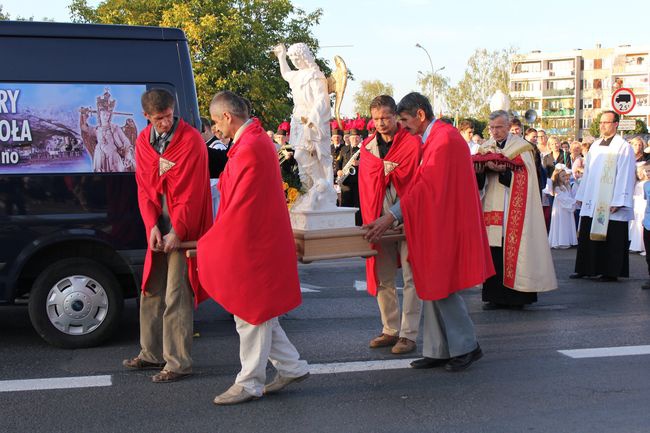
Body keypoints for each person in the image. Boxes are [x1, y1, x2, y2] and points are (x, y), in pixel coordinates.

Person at [364, 92, 493, 372]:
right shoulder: (436, 138)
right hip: (438, 221)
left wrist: (390, 216)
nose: (404, 127)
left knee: (442, 286)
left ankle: (467, 346)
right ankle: (439, 349)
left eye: (405, 120)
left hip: (446, 224)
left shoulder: (443, 139)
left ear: (420, 115)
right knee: (433, 285)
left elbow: (423, 187)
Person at [198, 91, 309, 405]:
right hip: (259, 243)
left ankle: (249, 383)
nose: (215, 129)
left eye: (216, 122)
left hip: (254, 246)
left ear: (228, 117)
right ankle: (292, 367)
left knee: (251, 315)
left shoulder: (248, 148)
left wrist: (213, 241)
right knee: (260, 315)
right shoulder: (253, 143)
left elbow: (240, 208)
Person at [123, 88, 212, 383]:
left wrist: (178, 231)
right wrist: (151, 225)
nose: (165, 122)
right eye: (159, 118)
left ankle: (177, 362)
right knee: (151, 289)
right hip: (160, 226)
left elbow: (192, 193)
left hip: (183, 228)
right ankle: (151, 353)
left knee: (176, 293)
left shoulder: (191, 140)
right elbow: (144, 187)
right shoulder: (142, 141)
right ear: (146, 117)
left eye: (169, 116)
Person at [357, 95, 422, 355]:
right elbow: (366, 186)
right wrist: (372, 220)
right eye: (376, 119)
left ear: (395, 116)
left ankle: (408, 334)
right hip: (379, 220)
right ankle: (390, 328)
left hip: (408, 218)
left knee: (410, 278)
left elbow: (417, 183)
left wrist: (396, 214)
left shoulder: (412, 144)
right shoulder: (368, 147)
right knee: (383, 278)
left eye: (385, 117)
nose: (381, 123)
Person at [477, 110, 557, 309]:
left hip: (514, 206)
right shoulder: (485, 147)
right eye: (492, 128)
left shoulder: (522, 148)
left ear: (508, 126)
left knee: (515, 248)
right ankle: (494, 296)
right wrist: (481, 171)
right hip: (491, 205)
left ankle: (517, 297)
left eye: (499, 127)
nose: (495, 132)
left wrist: (504, 172)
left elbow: (529, 178)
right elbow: (477, 182)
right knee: (494, 250)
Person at [571, 110, 636, 282]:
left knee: (611, 235)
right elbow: (589, 173)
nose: (602, 126)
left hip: (611, 199)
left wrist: (619, 200)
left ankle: (609, 271)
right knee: (587, 231)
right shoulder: (595, 145)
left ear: (616, 124)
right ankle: (586, 268)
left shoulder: (623, 147)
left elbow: (626, 175)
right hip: (593, 197)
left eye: (606, 122)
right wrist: (582, 194)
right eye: (601, 122)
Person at [274, 43, 337, 211]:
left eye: (296, 58)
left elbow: (322, 100)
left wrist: (313, 118)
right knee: (301, 163)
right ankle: (308, 192)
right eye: (292, 58)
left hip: (311, 120)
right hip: (297, 120)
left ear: (304, 57)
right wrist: (281, 56)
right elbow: (286, 74)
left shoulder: (316, 75)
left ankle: (320, 182)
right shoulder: (296, 76)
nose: (294, 61)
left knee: (304, 154)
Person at [548, 166, 577, 249]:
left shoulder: (566, 185)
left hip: (566, 207)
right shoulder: (557, 187)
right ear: (557, 177)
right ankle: (560, 241)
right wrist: (573, 201)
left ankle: (567, 240)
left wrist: (572, 199)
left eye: (565, 175)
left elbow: (569, 195)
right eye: (563, 176)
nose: (565, 177)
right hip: (560, 208)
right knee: (561, 222)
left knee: (566, 222)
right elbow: (561, 197)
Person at [629, 162, 648, 254]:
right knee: (636, 224)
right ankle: (636, 244)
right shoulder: (638, 182)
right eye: (637, 172)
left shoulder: (645, 183)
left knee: (641, 225)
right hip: (637, 205)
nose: (638, 174)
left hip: (642, 205)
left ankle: (643, 246)